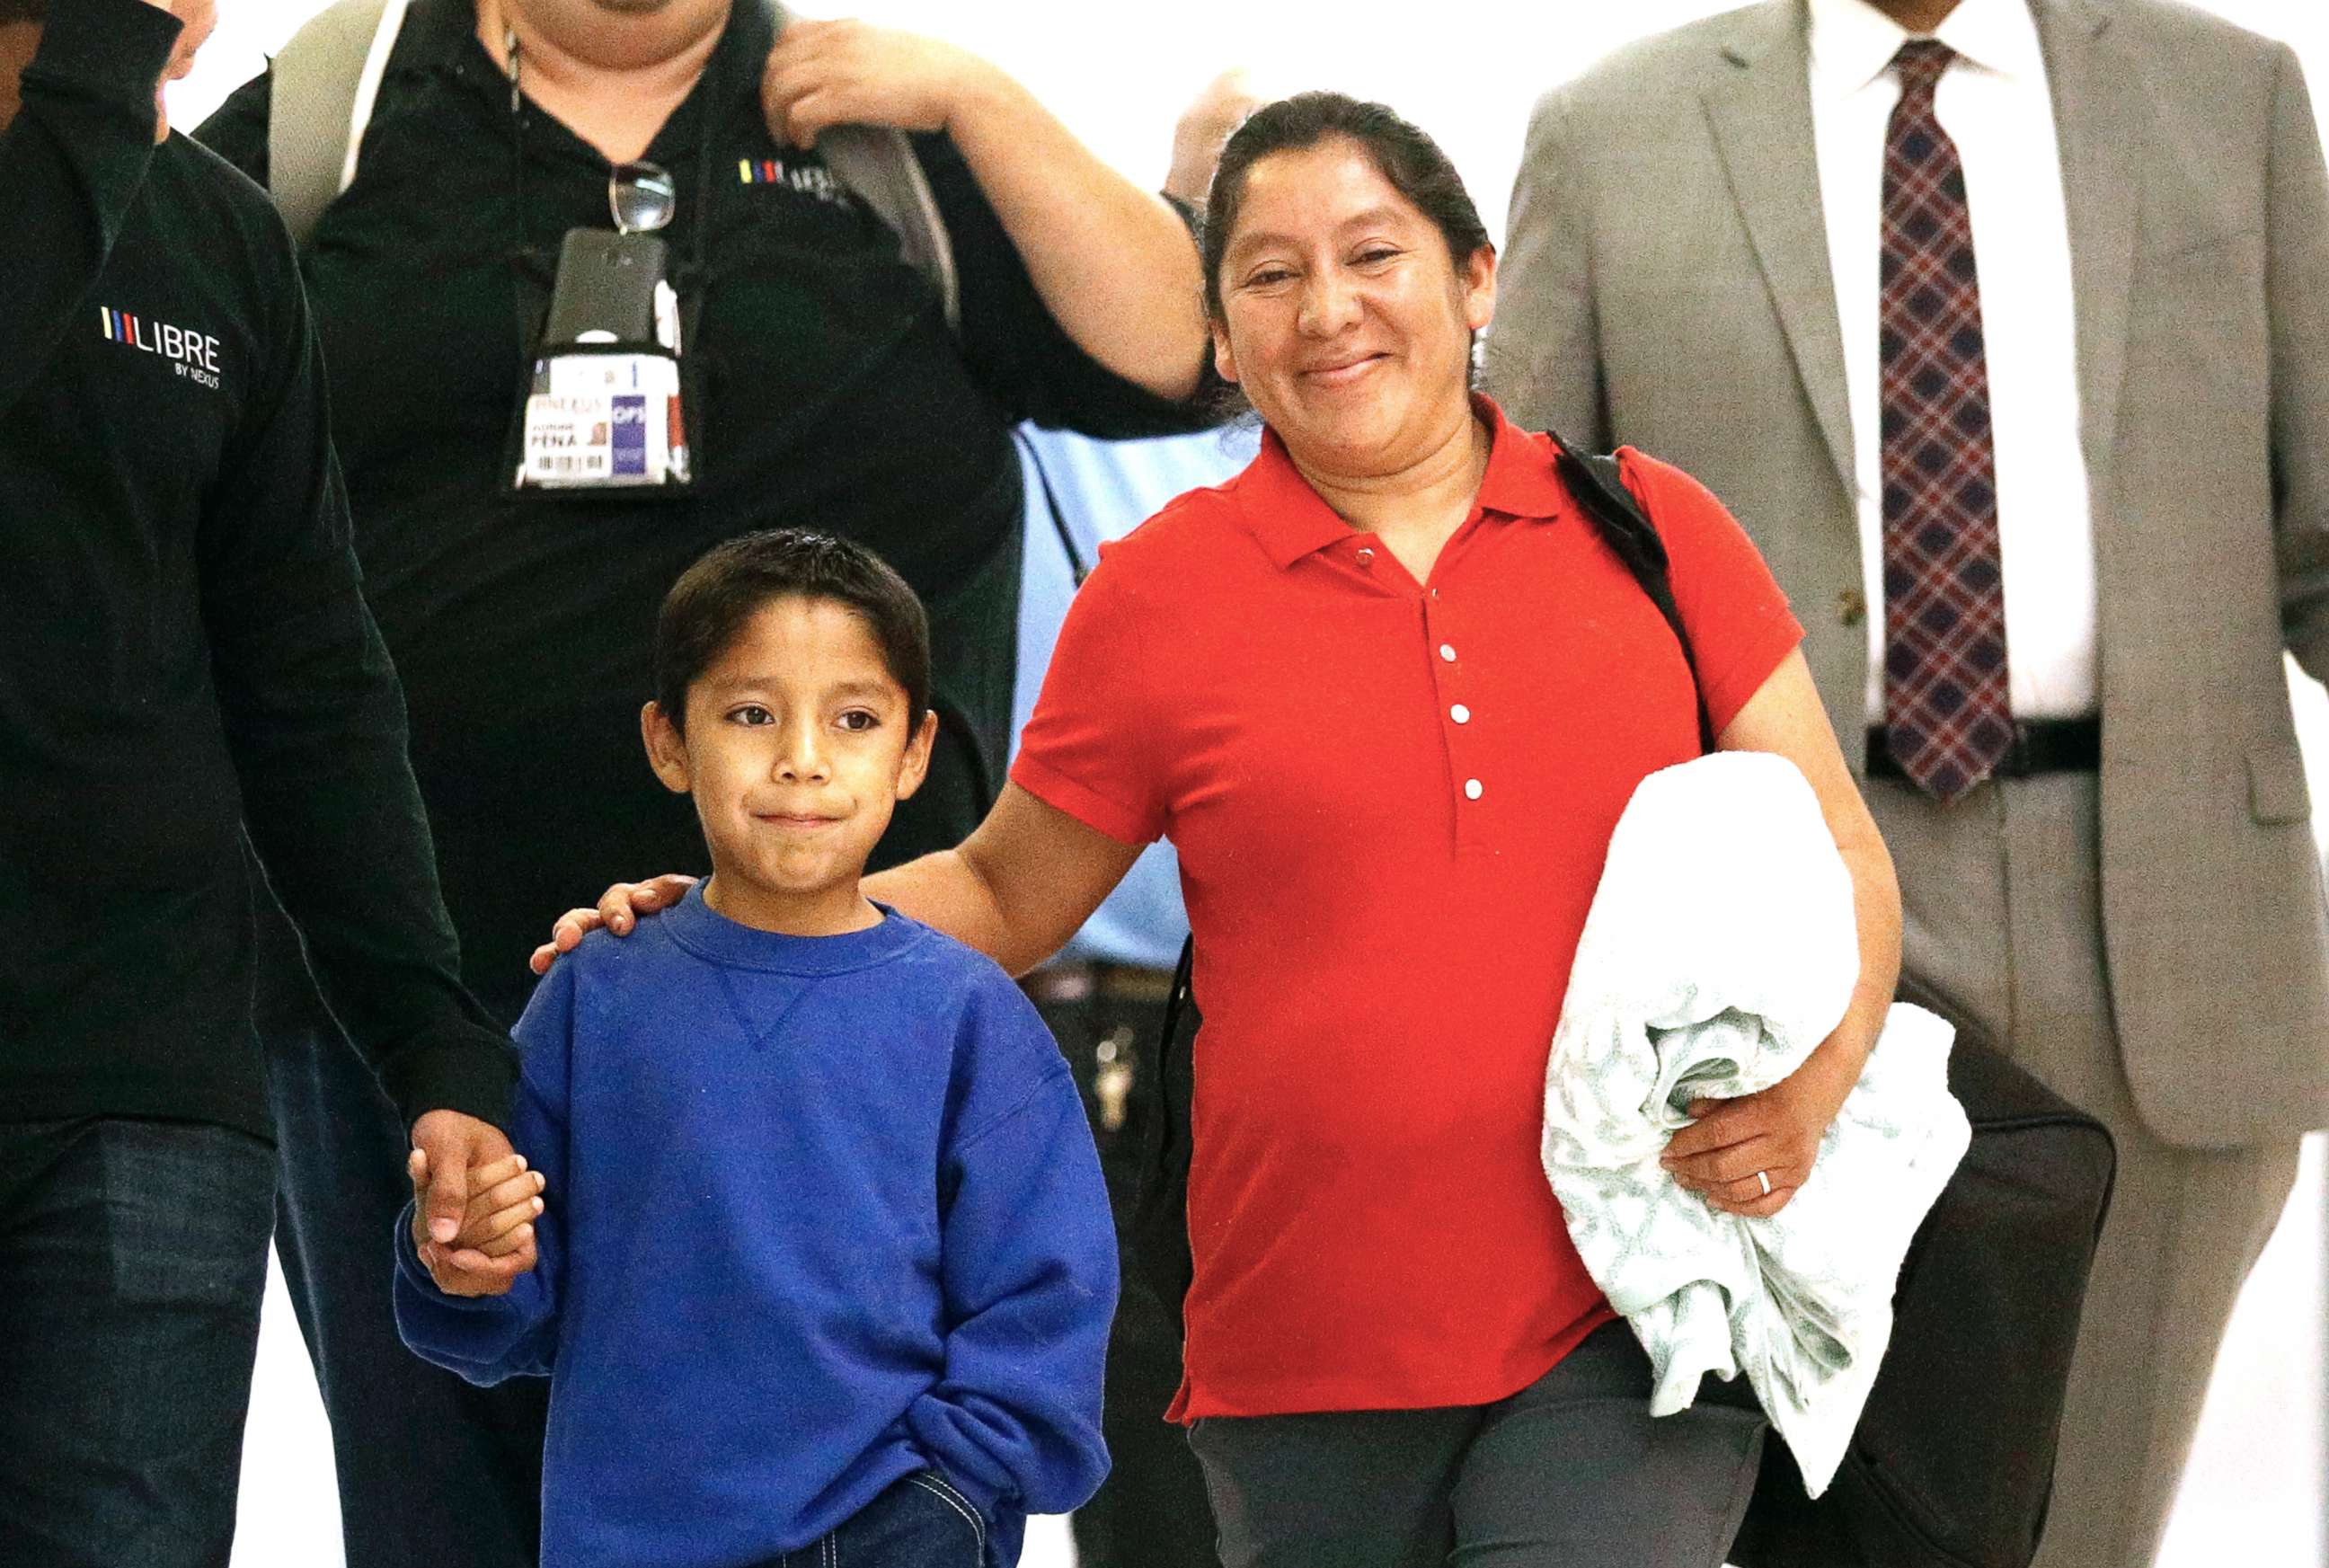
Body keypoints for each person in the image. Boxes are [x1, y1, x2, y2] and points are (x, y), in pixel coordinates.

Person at [542, 92, 1907, 1568]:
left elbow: (1839, 854)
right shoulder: (1163, 593)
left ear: (1475, 276)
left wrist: (1815, 1086)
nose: (1326, 311)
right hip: (1297, 1344)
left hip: (1633, 1309)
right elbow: (1009, 887)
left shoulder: (1653, 533)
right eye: (1266, 273)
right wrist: (740, 914)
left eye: (1371, 254)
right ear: (1220, 325)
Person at [190, 2, 1214, 1558]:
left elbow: (1180, 355)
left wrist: (981, 100)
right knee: (441, 1509)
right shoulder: (339, 107)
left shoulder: (882, 134)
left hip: (843, 1019)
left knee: (855, 1503)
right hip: (398, 1010)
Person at [1484, 1, 2329, 1562]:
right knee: (1797, 1510)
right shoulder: (1610, 131)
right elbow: (1508, 565)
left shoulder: (2236, 97)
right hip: (1763, 915)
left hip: (2158, 909)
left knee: (2082, 1518)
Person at [0, 0, 531, 1560]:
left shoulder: (217, 242)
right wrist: (102, 68)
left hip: (148, 1088)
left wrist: (429, 1040)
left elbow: (309, 680)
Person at [397, 527, 1116, 1568]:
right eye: (750, 713)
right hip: (628, 1539)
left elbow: (1046, 1299)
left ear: (914, 752)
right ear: (667, 741)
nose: (802, 757)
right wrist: (464, 1250)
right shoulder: (593, 991)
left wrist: (946, 1498)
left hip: (898, 1532)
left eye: (855, 719)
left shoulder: (972, 1016)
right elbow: (504, 1288)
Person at [1010, 66, 1264, 1568]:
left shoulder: (1395, 463)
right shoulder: (1053, 426)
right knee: (1135, 1478)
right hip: (1077, 1023)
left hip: (1291, 1032)